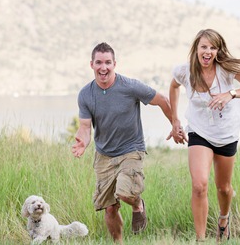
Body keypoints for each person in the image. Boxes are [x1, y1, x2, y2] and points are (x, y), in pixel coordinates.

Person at [71, 42, 179, 243]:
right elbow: (85, 128)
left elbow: (162, 100)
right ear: (91, 65)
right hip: (103, 154)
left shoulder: (130, 86)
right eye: (99, 62)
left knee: (125, 192)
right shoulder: (85, 94)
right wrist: (82, 143)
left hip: (131, 150)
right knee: (110, 207)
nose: (104, 67)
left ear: (115, 64)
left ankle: (138, 205)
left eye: (108, 62)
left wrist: (175, 124)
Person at [168, 29, 240, 242]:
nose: (208, 51)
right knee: (200, 185)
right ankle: (200, 239)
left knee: (224, 188)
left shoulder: (227, 69)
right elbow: (174, 87)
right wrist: (175, 120)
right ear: (196, 49)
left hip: (226, 132)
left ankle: (223, 218)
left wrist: (231, 93)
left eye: (212, 47)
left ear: (218, 51)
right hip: (199, 131)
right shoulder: (185, 71)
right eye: (204, 47)